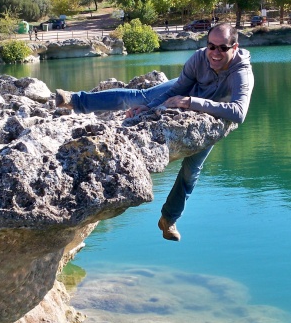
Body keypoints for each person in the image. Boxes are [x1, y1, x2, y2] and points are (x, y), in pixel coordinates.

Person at [55, 23, 254, 241]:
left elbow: (238, 112)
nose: (215, 53)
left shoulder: (241, 72)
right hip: (185, 92)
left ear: (234, 47)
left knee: (192, 170)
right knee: (139, 98)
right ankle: (76, 100)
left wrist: (191, 103)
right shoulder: (199, 58)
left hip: (205, 109)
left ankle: (169, 219)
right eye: (211, 46)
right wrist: (149, 108)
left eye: (222, 48)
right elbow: (178, 89)